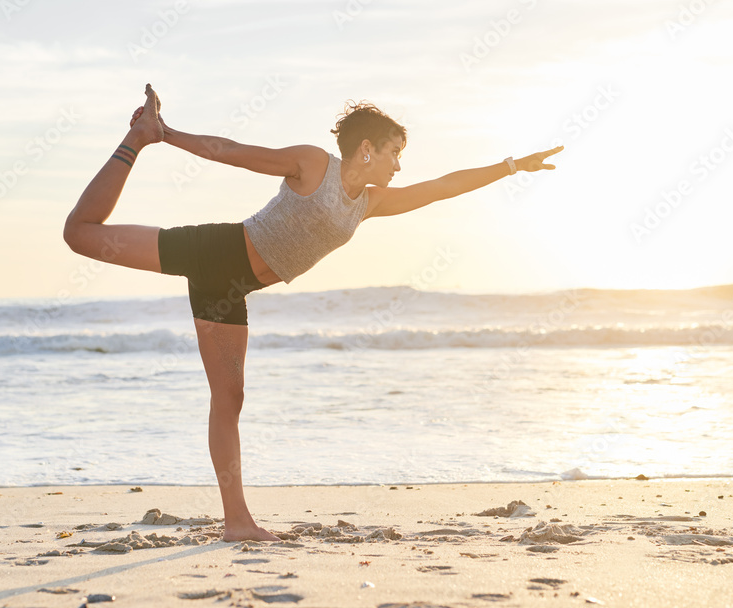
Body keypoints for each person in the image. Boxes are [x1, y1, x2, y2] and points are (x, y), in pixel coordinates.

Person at [63, 84, 563, 542]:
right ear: (367, 148)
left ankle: (237, 521)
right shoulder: (312, 165)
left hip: (231, 292)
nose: (398, 166)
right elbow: (234, 153)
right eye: (395, 153)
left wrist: (513, 167)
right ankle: (137, 138)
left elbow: (442, 187)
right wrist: (165, 135)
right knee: (80, 235)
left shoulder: (366, 204)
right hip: (211, 251)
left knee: (230, 396)